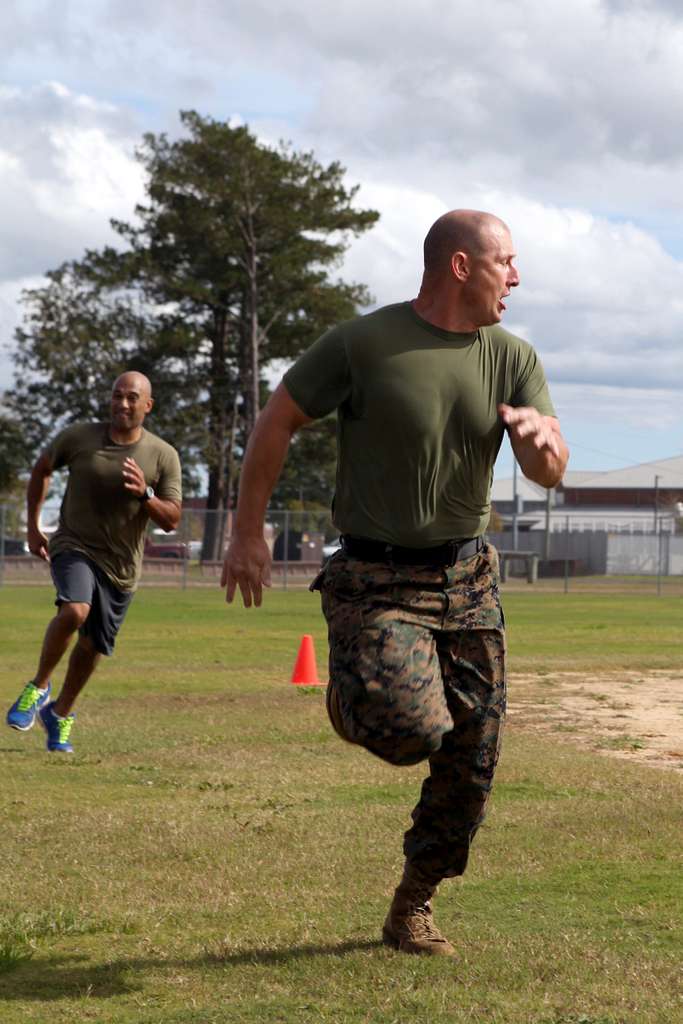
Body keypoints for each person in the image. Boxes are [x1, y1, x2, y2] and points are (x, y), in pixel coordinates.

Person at [221, 210, 569, 956]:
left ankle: (412, 904)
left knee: (472, 756)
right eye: (505, 261)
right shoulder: (362, 343)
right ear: (458, 266)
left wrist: (543, 449)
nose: (516, 276)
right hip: (376, 577)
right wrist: (246, 532)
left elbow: (548, 467)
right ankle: (356, 700)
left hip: (467, 576)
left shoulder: (512, 357)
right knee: (411, 730)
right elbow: (276, 421)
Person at [6, 371, 182, 753]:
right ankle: (37, 687)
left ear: (147, 405)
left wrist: (146, 494)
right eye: (117, 395)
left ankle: (60, 713)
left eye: (132, 398)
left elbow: (171, 518)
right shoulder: (79, 437)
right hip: (73, 545)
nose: (122, 403)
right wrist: (34, 528)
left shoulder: (163, 455)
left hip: (121, 568)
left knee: (92, 647)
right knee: (74, 610)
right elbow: (42, 469)